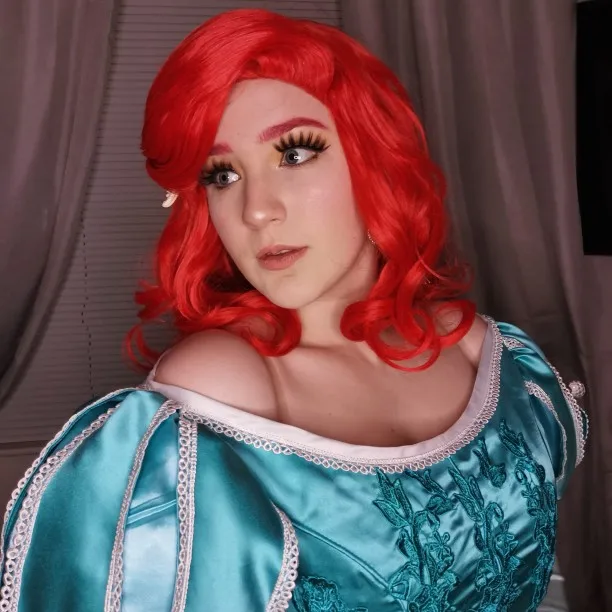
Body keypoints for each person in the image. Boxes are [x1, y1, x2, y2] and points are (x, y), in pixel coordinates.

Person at [0, 8, 587, 612]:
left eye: (295, 154)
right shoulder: (224, 386)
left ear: (376, 159)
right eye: (222, 175)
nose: (257, 210)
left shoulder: (489, 354)